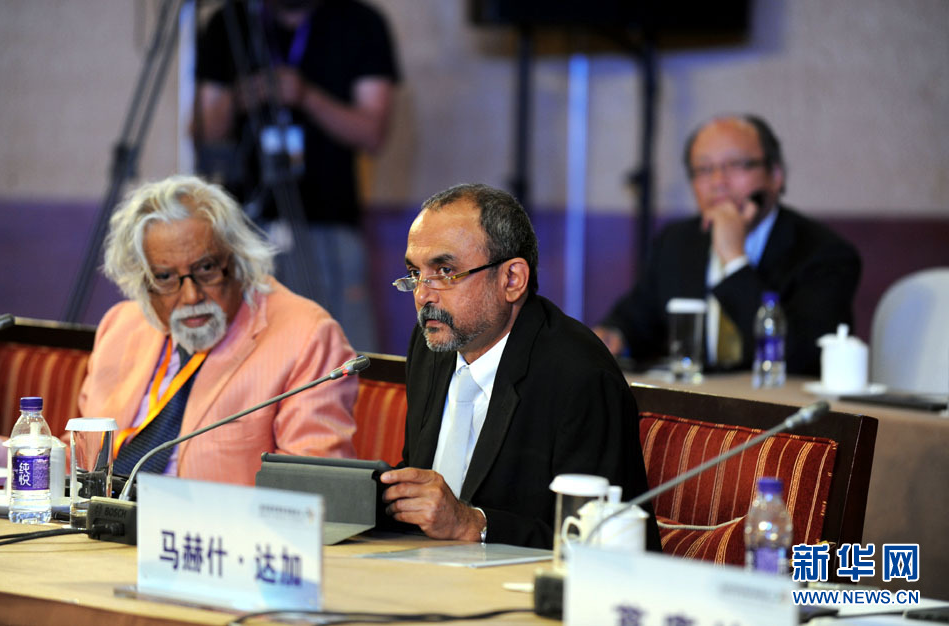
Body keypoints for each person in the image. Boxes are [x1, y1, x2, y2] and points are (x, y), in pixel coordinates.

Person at [0, 175, 358, 484]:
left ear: (237, 260)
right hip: (104, 534)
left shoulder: (307, 335)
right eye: (165, 277)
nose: (191, 296)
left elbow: (315, 487)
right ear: (141, 281)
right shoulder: (123, 325)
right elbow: (86, 466)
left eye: (206, 269)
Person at [379, 183, 660, 551]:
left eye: (445, 271)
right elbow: (423, 481)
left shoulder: (580, 375)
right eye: (415, 273)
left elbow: (599, 541)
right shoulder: (432, 346)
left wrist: (475, 525)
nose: (422, 295)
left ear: (512, 279)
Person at [193, 0, 400, 352]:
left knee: (338, 354)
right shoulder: (229, 21)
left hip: (330, 224)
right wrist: (241, 98)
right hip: (245, 229)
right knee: (243, 355)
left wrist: (305, 96)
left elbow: (373, 133)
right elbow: (204, 132)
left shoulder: (360, 22)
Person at [594, 114, 861, 375]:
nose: (718, 182)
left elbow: (800, 355)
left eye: (735, 165)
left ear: (775, 175)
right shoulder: (676, 241)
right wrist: (614, 336)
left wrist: (734, 259)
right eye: (703, 170)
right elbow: (636, 319)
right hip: (692, 398)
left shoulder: (824, 253)